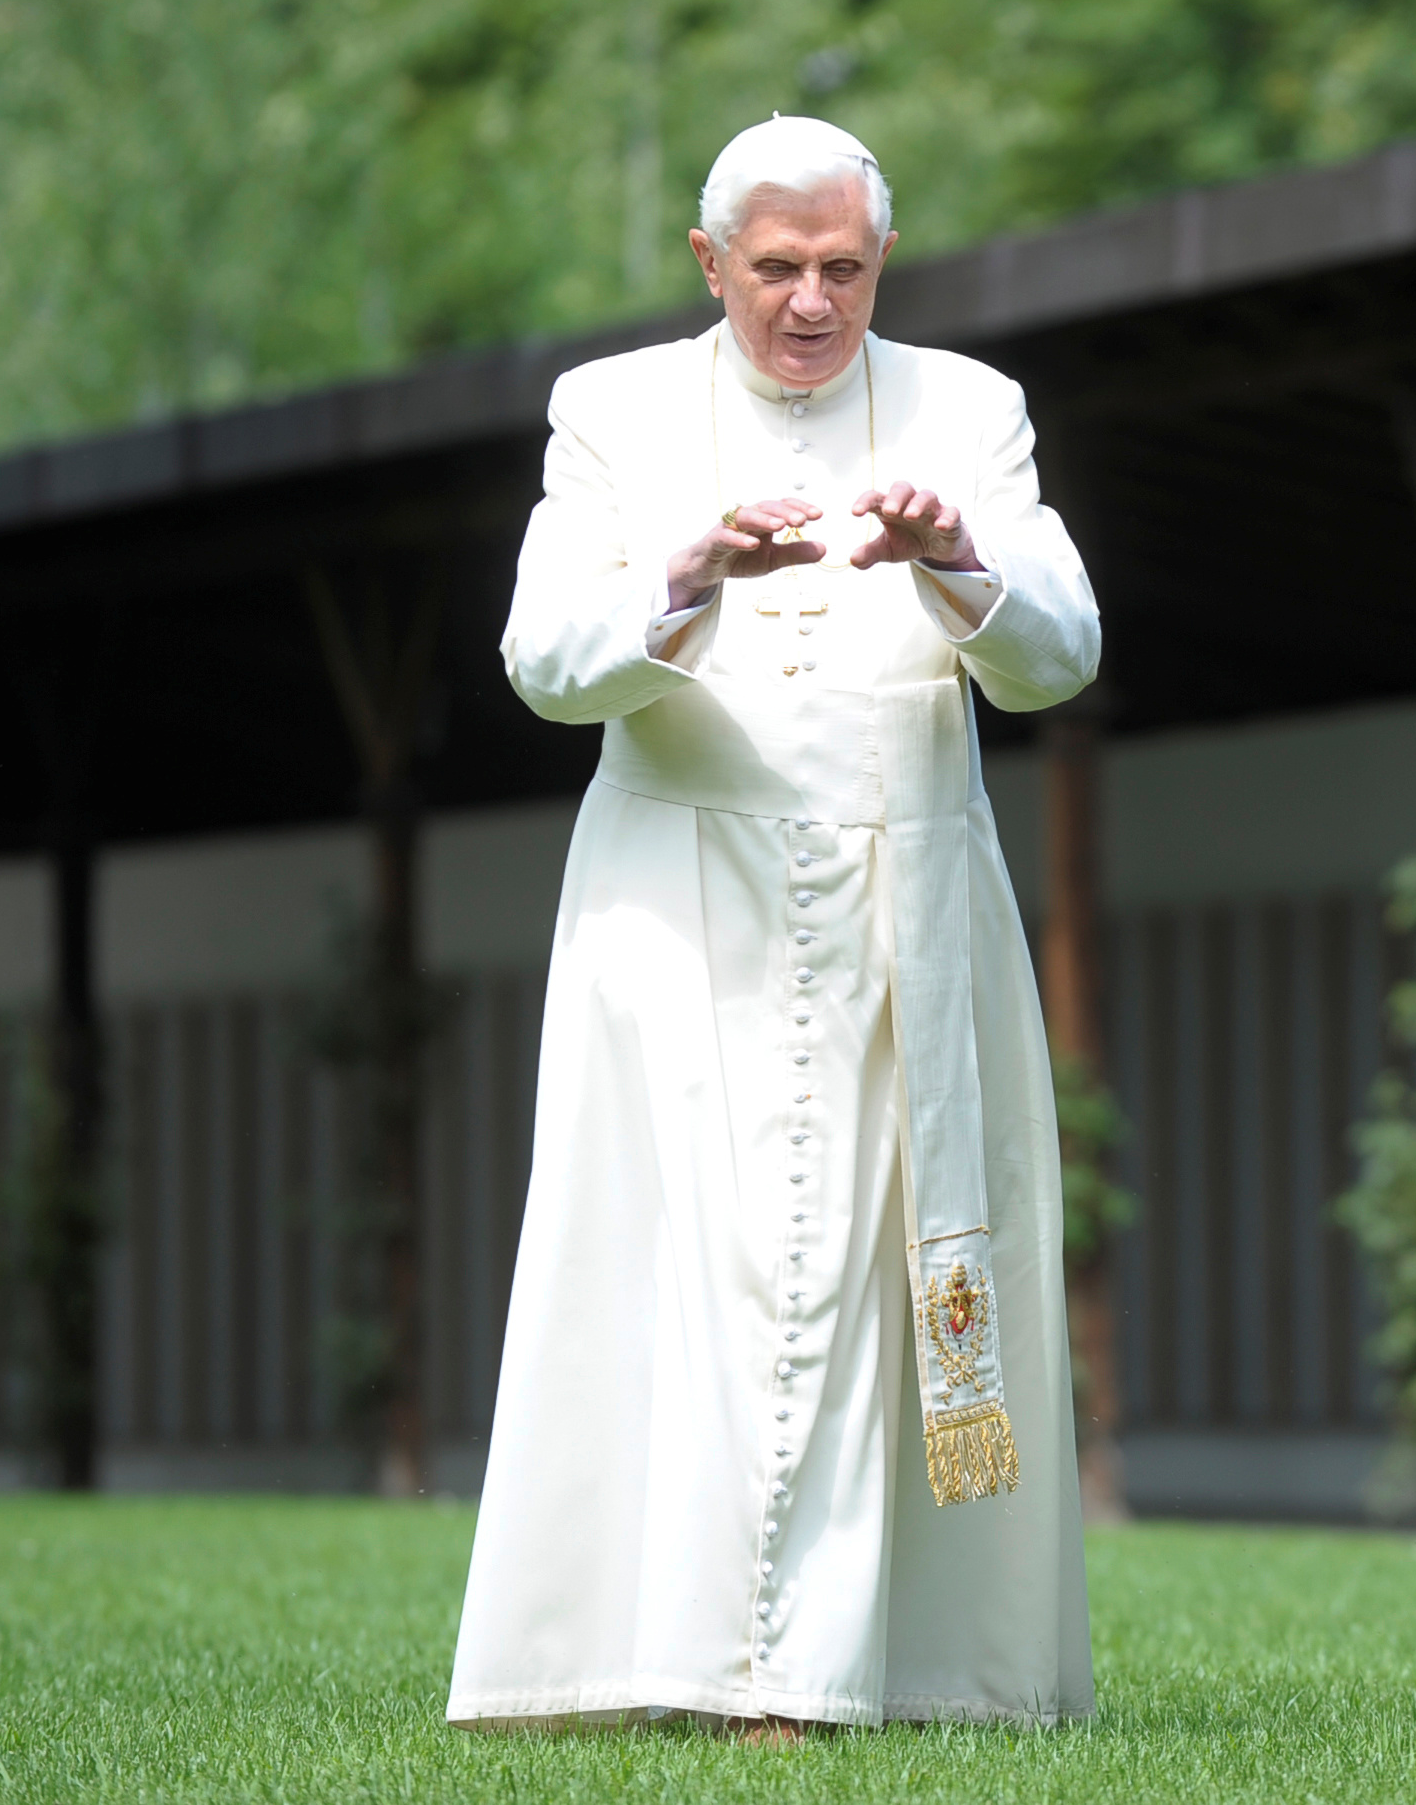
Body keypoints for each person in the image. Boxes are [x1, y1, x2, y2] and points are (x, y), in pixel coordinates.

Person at [448, 117, 1098, 1734]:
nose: (813, 304)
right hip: (682, 914)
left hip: (911, 907)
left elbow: (1067, 650)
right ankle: (670, 1657)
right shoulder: (610, 411)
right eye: (778, 270)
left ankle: (880, 1670)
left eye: (846, 270)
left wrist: (959, 560)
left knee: (878, 1273)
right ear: (708, 263)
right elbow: (544, 660)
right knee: (699, 1279)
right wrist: (682, 576)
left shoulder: (972, 406)